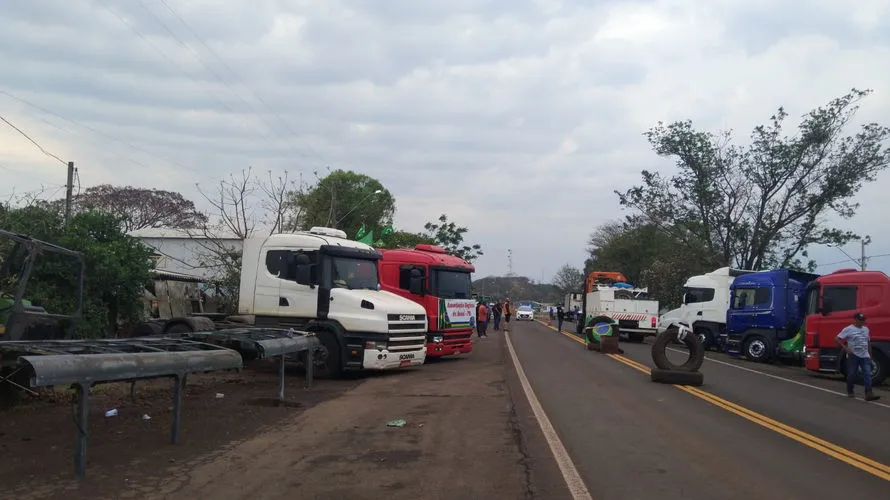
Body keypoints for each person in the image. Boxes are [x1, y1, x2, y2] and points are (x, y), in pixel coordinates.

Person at [836, 312, 880, 401]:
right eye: (860, 320)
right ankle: (850, 390)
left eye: (863, 320)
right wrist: (846, 348)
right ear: (855, 320)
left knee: (867, 373)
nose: (862, 322)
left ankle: (869, 393)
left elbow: (868, 342)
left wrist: (870, 354)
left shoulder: (866, 329)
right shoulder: (848, 329)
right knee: (852, 374)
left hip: (865, 355)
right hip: (853, 355)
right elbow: (837, 338)